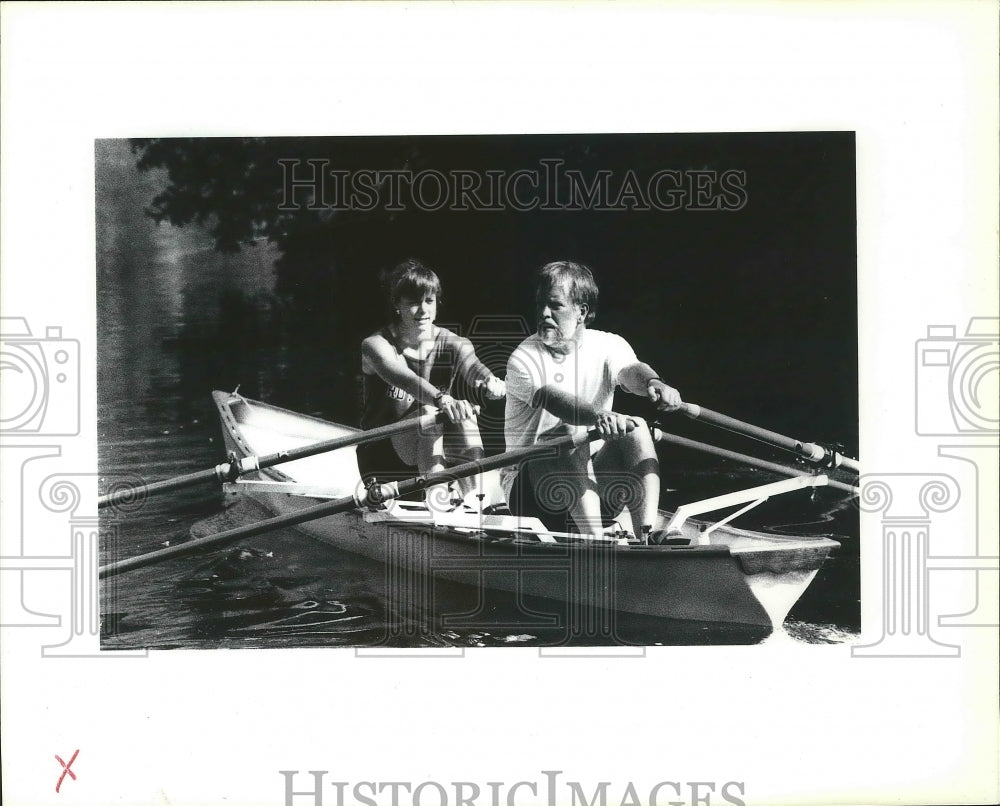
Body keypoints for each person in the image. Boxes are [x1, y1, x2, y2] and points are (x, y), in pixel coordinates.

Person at [502, 260, 682, 540]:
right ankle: (595, 544)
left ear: (581, 312)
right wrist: (596, 418)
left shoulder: (609, 344)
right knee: (563, 436)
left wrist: (653, 383)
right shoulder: (524, 358)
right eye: (540, 305)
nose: (544, 314)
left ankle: (647, 536)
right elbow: (557, 401)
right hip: (533, 499)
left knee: (636, 427)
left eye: (555, 305)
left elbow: (631, 371)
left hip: (592, 490)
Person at [359, 258, 505, 511]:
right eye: (413, 302)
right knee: (432, 414)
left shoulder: (454, 343)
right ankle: (439, 502)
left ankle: (476, 501)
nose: (423, 310)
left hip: (429, 455)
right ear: (397, 305)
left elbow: (473, 368)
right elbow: (403, 377)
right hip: (384, 460)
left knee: (463, 415)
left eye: (429, 301)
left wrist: (489, 382)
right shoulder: (375, 345)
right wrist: (442, 399)